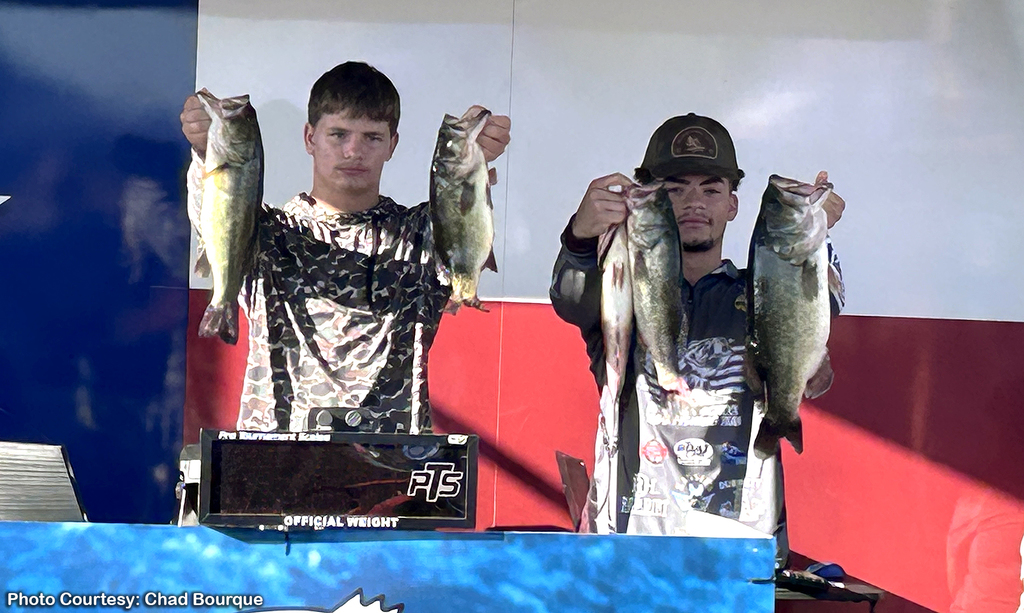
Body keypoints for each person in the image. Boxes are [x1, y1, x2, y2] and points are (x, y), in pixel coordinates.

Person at [549, 113, 845, 560]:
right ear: (644, 200)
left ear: (733, 205)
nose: (693, 202)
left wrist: (818, 238)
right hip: (630, 538)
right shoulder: (619, 293)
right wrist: (578, 237)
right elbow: (570, 298)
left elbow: (823, 308)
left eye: (711, 189)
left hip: (738, 544)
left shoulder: (760, 293)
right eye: (674, 189)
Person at [180, 61, 510, 434]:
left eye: (372, 137)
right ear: (310, 138)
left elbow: (464, 218)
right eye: (338, 134)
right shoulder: (265, 235)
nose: (354, 151)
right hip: (273, 465)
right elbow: (215, 208)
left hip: (391, 469)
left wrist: (474, 156)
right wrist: (208, 151)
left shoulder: (422, 235)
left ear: (392, 145)